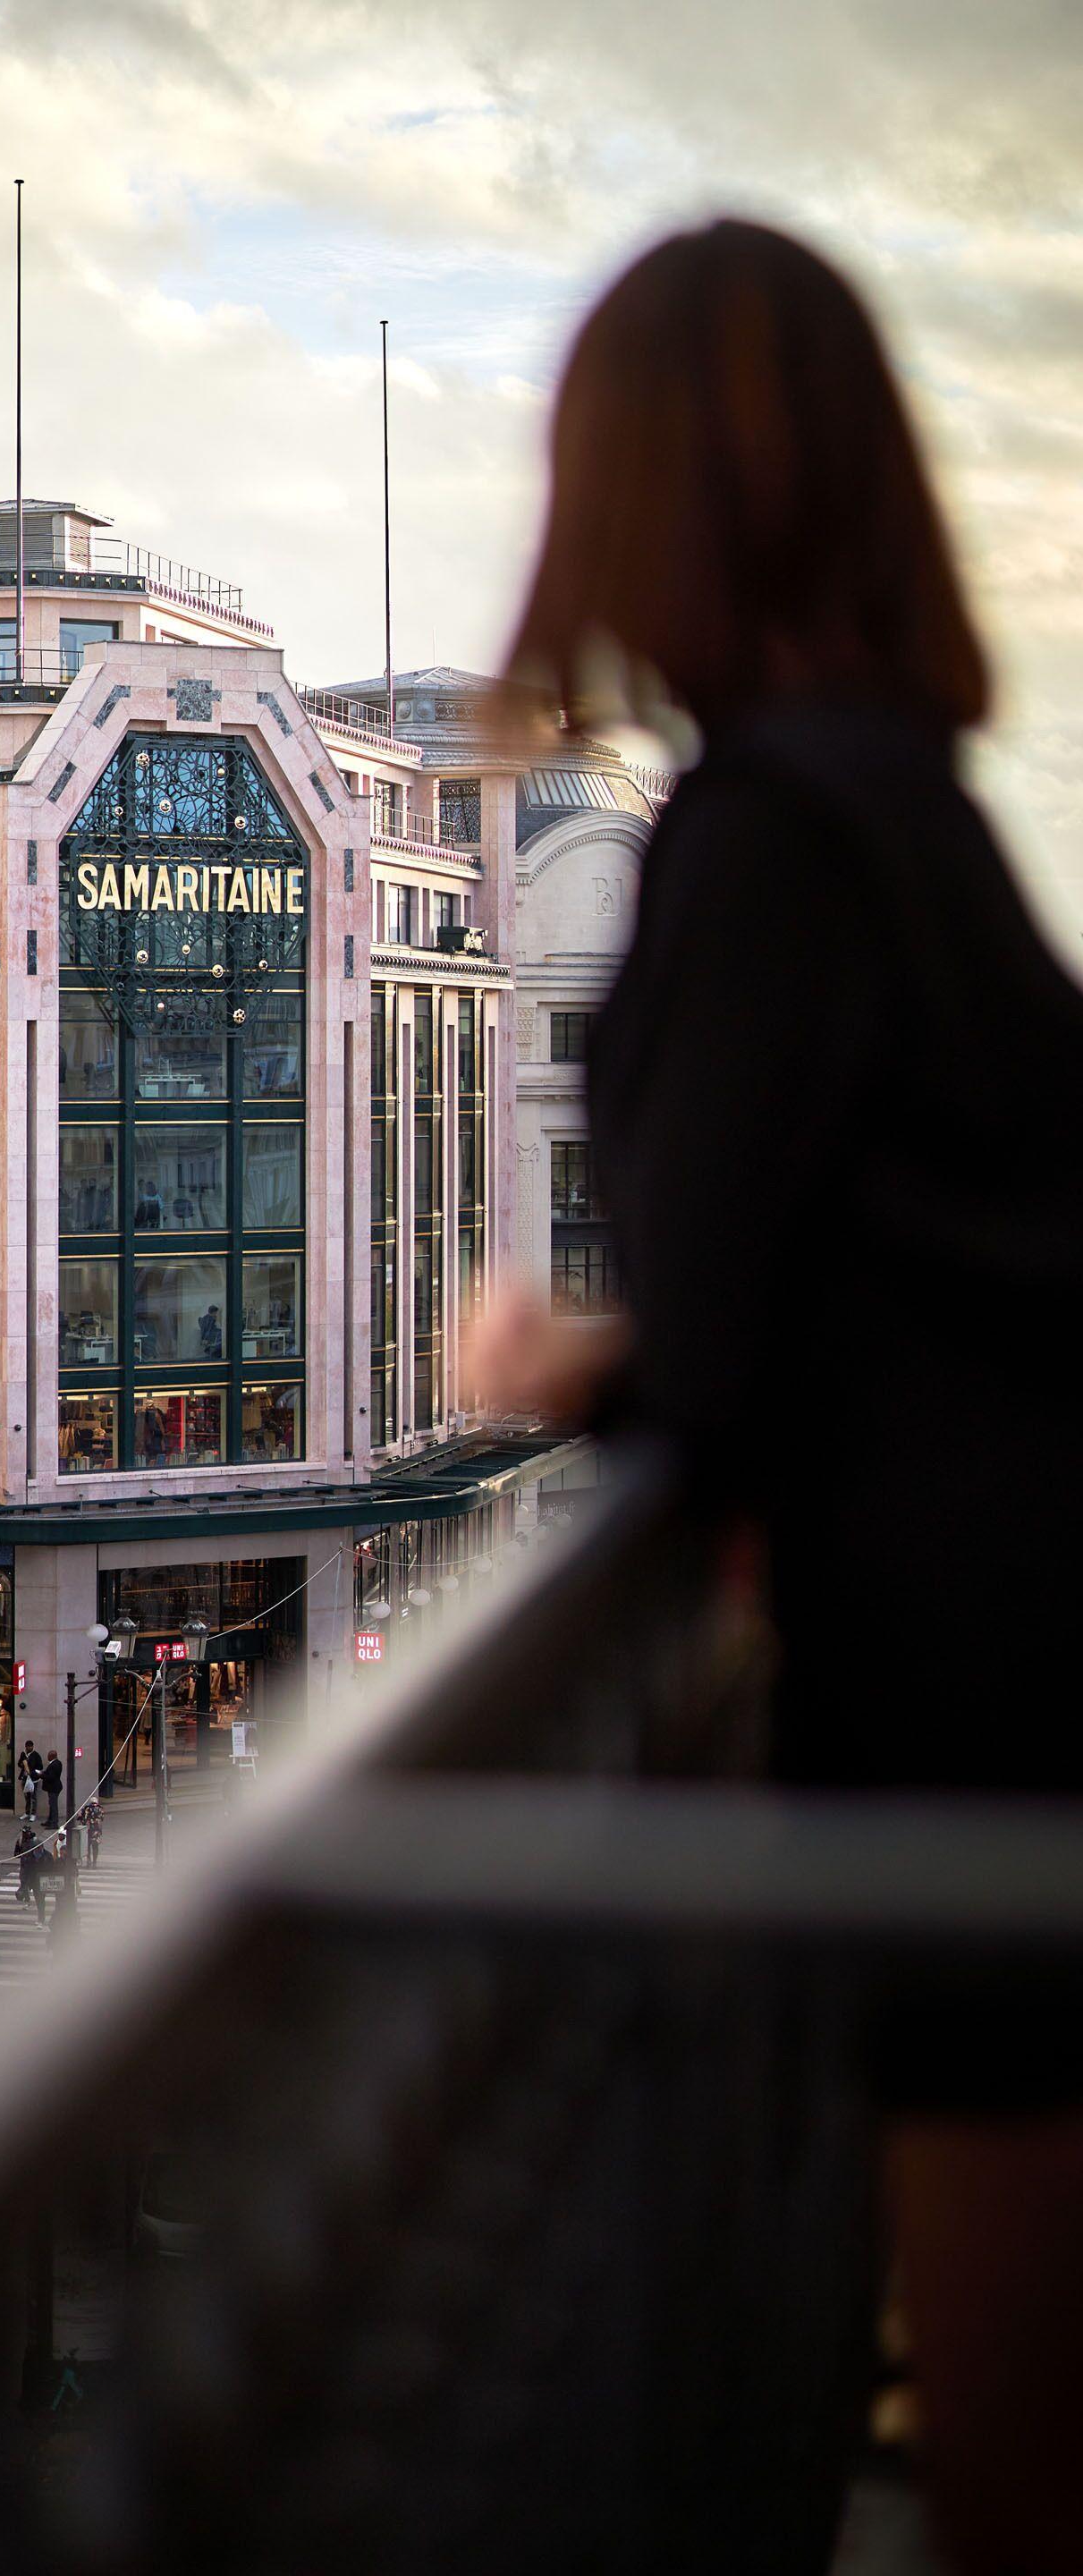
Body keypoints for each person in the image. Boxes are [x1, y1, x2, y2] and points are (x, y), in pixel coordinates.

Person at [478, 218, 1083, 2576]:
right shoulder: (917, 823)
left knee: (1021, 2480)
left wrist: (546, 1358)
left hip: (981, 1755)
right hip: (1027, 1711)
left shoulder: (759, 848)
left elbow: (719, 1366)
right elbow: (909, 1251)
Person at [17, 1740, 41, 1820]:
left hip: (33, 1779)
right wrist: (22, 1764)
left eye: (31, 1747)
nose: (30, 1748)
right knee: (27, 1797)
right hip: (25, 1777)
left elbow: (39, 1767)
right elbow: (19, 1763)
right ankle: (27, 1812)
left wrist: (32, 1770)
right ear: (26, 1747)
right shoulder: (23, 1754)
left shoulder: (36, 1755)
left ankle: (33, 1814)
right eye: (28, 1747)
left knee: (33, 1797)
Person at [41, 1750, 63, 1831]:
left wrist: (42, 1775)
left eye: (48, 1756)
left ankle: (54, 1823)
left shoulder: (54, 1765)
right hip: (54, 1787)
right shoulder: (57, 1763)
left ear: (52, 1756)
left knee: (53, 1805)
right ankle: (50, 1820)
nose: (47, 1757)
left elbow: (51, 1777)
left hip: (53, 1788)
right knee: (51, 1804)